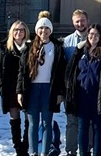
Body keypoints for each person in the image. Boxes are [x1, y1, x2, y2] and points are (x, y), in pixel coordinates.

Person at [17, 11, 66, 156]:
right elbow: (22, 72)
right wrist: (20, 91)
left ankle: (44, 152)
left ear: (50, 30)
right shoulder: (29, 47)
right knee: (32, 123)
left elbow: (61, 72)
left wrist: (60, 93)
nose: (43, 31)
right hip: (31, 88)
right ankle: (33, 152)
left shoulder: (57, 48)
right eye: (40, 28)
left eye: (46, 28)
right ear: (36, 30)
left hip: (48, 89)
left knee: (46, 123)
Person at [65, 24, 101, 156]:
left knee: (97, 128)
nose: (93, 37)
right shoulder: (80, 52)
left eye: (96, 34)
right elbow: (71, 71)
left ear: (100, 36)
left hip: (98, 96)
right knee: (82, 128)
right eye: (90, 34)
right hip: (82, 95)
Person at [0, 20, 31, 156]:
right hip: (10, 89)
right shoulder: (5, 49)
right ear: (11, 32)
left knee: (29, 118)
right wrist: (0, 86)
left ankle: (26, 146)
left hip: (27, 88)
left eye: (21, 30)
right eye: (16, 30)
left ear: (26, 32)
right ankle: (18, 148)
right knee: (15, 118)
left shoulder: (30, 48)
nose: (19, 32)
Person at [62, 9, 89, 156]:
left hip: (89, 88)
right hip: (71, 88)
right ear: (73, 23)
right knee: (72, 121)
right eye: (77, 21)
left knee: (88, 121)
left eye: (82, 20)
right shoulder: (67, 42)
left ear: (87, 20)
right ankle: (71, 150)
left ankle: (87, 149)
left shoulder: (93, 38)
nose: (80, 23)